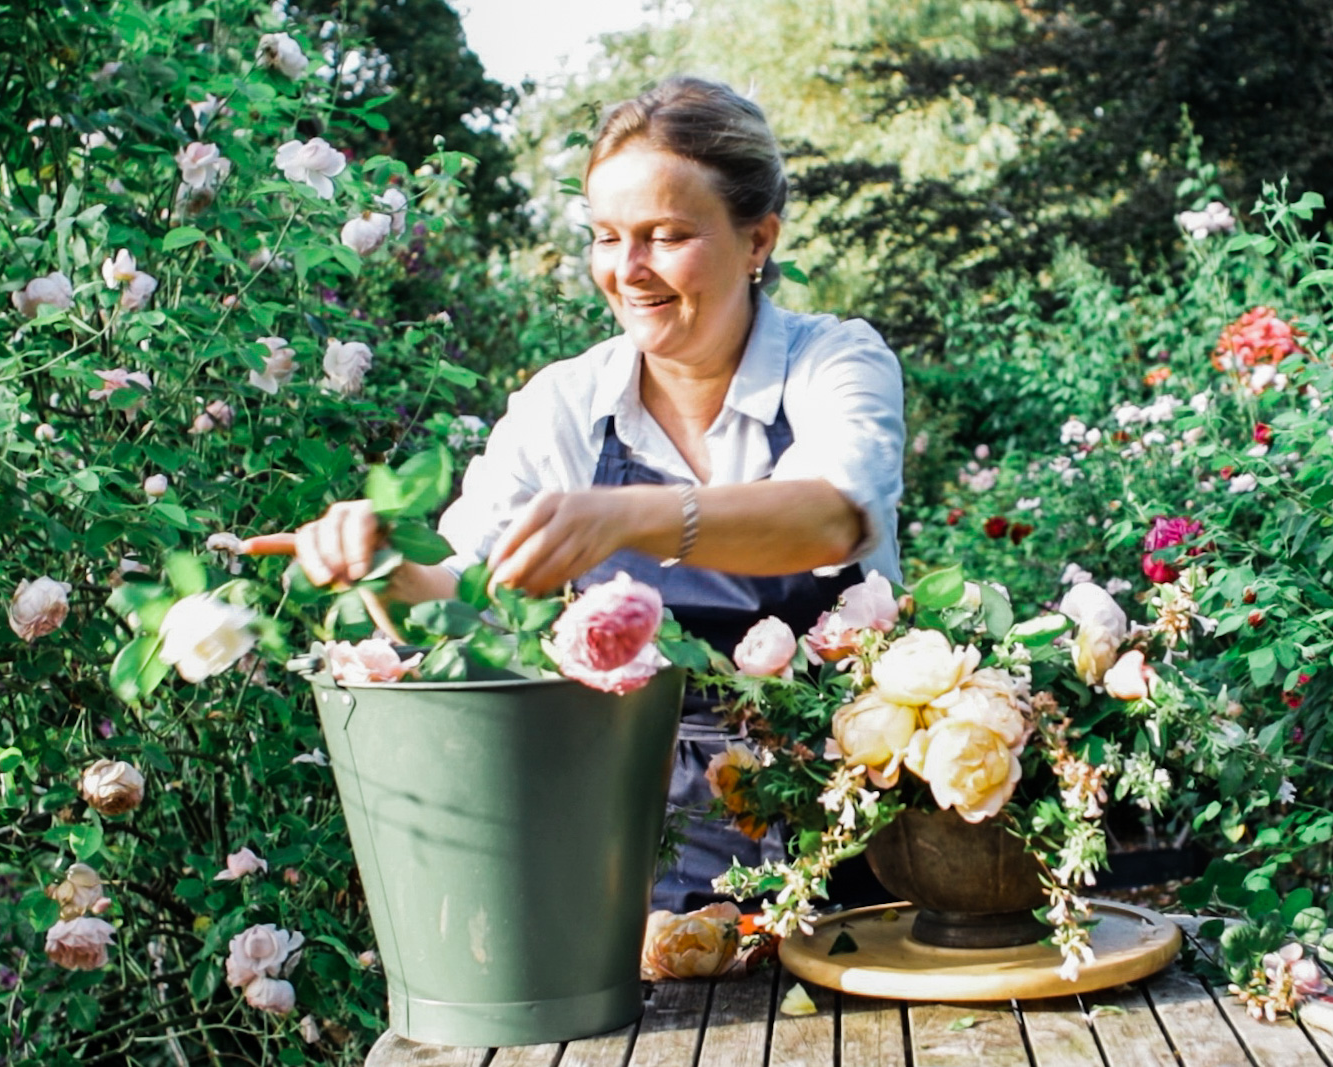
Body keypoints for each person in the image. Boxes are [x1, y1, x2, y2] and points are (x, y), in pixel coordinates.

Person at [289, 76, 905, 911]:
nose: (628, 270)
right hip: (641, 845)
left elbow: (831, 516)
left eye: (666, 235)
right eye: (607, 237)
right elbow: (461, 601)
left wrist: (633, 517)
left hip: (855, 827)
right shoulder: (565, 404)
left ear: (758, 238)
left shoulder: (834, 361)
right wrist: (384, 563)